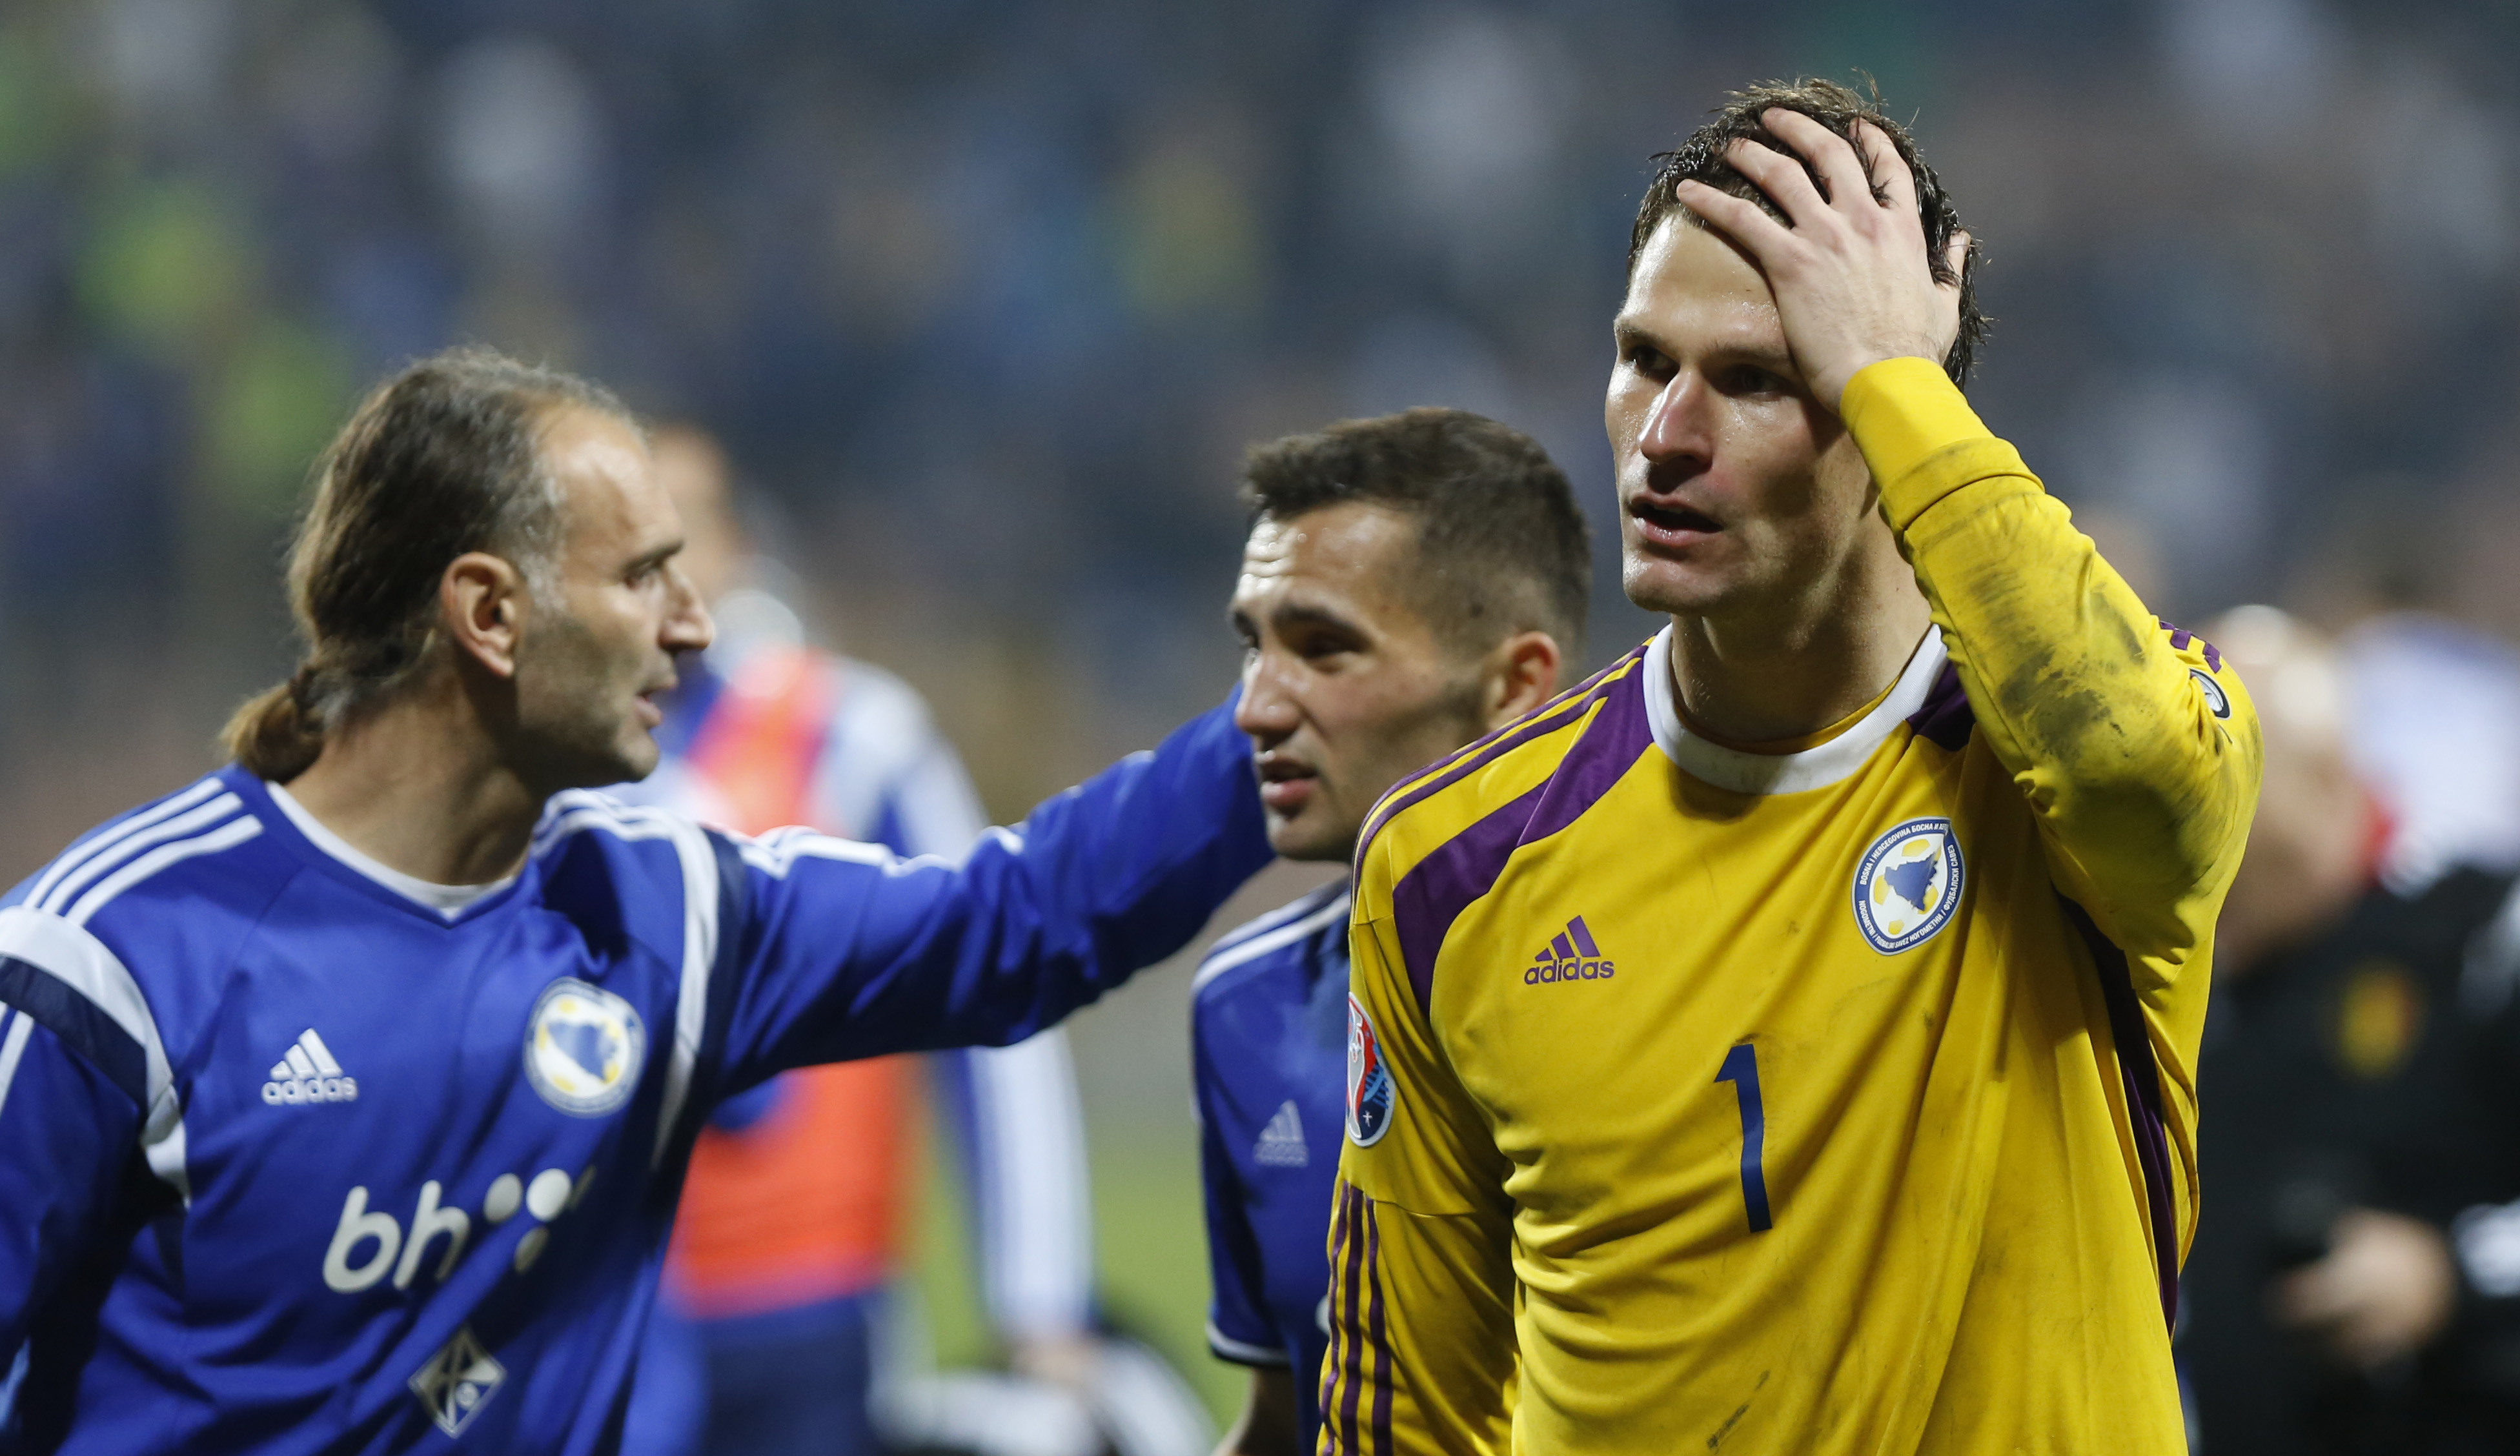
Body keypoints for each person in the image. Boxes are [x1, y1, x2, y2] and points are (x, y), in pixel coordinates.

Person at [0, 348, 1270, 1454]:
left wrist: (1284, 722)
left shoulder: (672, 915)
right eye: (643, 577)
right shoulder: (111, 960)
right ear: (489, 613)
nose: (696, 625)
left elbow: (1022, 919)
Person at [1318, 80, 2262, 1454]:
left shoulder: (2062, 786)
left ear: (1891, 424)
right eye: (1643, 359)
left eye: (1754, 380)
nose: (1662, 438)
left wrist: (1892, 376)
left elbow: (2126, 767)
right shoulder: (1449, 863)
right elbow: (1401, 1406)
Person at [616, 426, 1099, 1456]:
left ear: (736, 548)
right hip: (607, 1305)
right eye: (624, 547)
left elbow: (995, 991)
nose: (662, 576)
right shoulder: (542, 766)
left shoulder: (852, 737)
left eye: (682, 534)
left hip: (819, 1298)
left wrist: (1038, 1295)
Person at [1190, 409, 1589, 1456]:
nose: (1255, 708)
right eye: (1253, 646)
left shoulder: (1697, 967)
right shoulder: (1245, 1008)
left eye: (1322, 649)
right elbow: (1286, 1421)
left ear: (1516, 686)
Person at [2177, 606, 2505, 1455]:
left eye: (2218, 787)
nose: (2187, 833)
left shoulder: (2481, 944)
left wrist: (2449, 1274)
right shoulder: (2172, 981)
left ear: (2326, 780)